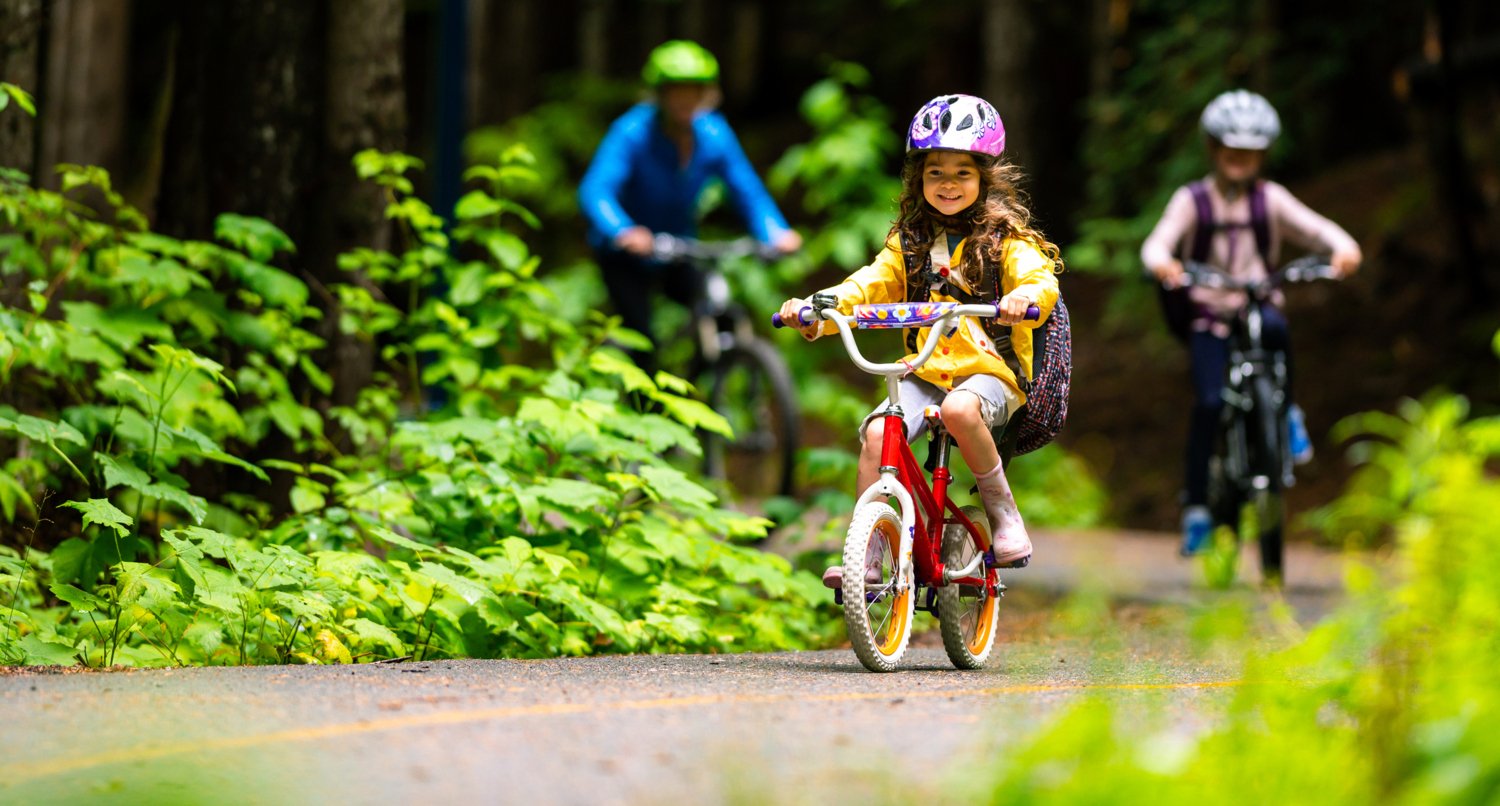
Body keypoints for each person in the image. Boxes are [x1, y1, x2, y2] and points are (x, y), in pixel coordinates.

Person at [778, 94, 1061, 586]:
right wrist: (818, 308)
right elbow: (864, 285)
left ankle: (1002, 512)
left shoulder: (1007, 241)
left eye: (962, 173)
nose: (948, 184)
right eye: (935, 172)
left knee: (959, 411)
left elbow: (1040, 280)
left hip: (989, 373)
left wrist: (1024, 298)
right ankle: (867, 552)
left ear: (985, 178)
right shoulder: (907, 244)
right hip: (928, 368)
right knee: (876, 432)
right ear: (918, 179)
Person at [1141, 89, 1363, 556]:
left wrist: (1343, 249)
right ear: (1214, 149)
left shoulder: (1271, 199)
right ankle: (1198, 506)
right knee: (1209, 402)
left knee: (1278, 331)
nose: (1240, 159)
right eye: (1231, 149)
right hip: (1208, 315)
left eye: (1250, 151)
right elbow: (1157, 244)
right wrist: (1165, 265)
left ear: (1262, 154)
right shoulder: (1192, 200)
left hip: (1257, 307)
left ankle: (1288, 412)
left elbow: (1318, 229)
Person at [578, 40, 801, 374]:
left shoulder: (714, 134)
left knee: (719, 314)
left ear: (705, 94)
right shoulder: (632, 132)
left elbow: (747, 190)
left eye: (693, 90)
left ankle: (705, 392)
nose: (685, 98)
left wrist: (775, 232)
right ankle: (646, 415)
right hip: (626, 253)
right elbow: (596, 190)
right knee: (643, 341)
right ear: (659, 94)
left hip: (680, 248)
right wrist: (622, 230)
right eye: (675, 90)